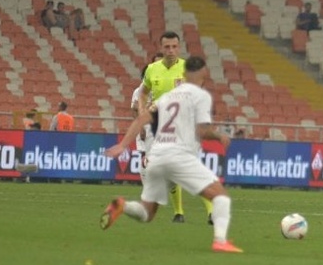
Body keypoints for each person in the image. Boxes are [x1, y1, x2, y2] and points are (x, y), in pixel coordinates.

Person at [102, 56, 242, 253]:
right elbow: (202, 132)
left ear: (183, 75)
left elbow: (142, 118)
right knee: (221, 198)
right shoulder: (200, 97)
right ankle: (220, 240)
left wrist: (123, 145)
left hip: (156, 157)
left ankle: (123, 206)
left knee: (146, 212)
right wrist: (219, 136)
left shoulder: (166, 98)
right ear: (203, 75)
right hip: (179, 156)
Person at [134, 32, 212, 224]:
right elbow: (142, 93)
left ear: (179, 47)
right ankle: (178, 212)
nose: (170, 50)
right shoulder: (152, 70)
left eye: (174, 46)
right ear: (161, 48)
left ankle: (211, 212)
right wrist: (143, 110)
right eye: (167, 47)